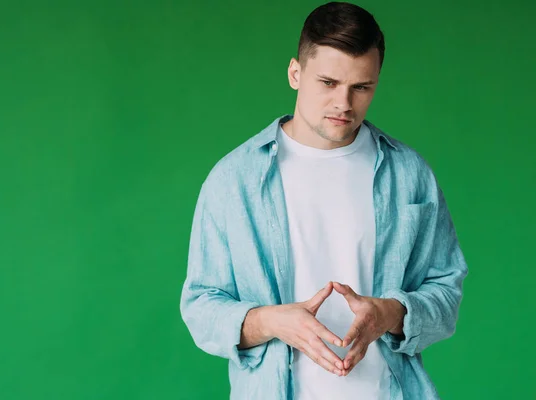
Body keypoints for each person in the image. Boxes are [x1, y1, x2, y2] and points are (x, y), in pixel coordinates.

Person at [179, 2, 468, 399]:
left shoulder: (409, 174)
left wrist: (389, 314)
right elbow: (200, 307)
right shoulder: (235, 179)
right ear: (295, 73)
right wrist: (273, 322)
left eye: (361, 87)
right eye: (328, 82)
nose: (344, 104)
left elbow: (446, 290)